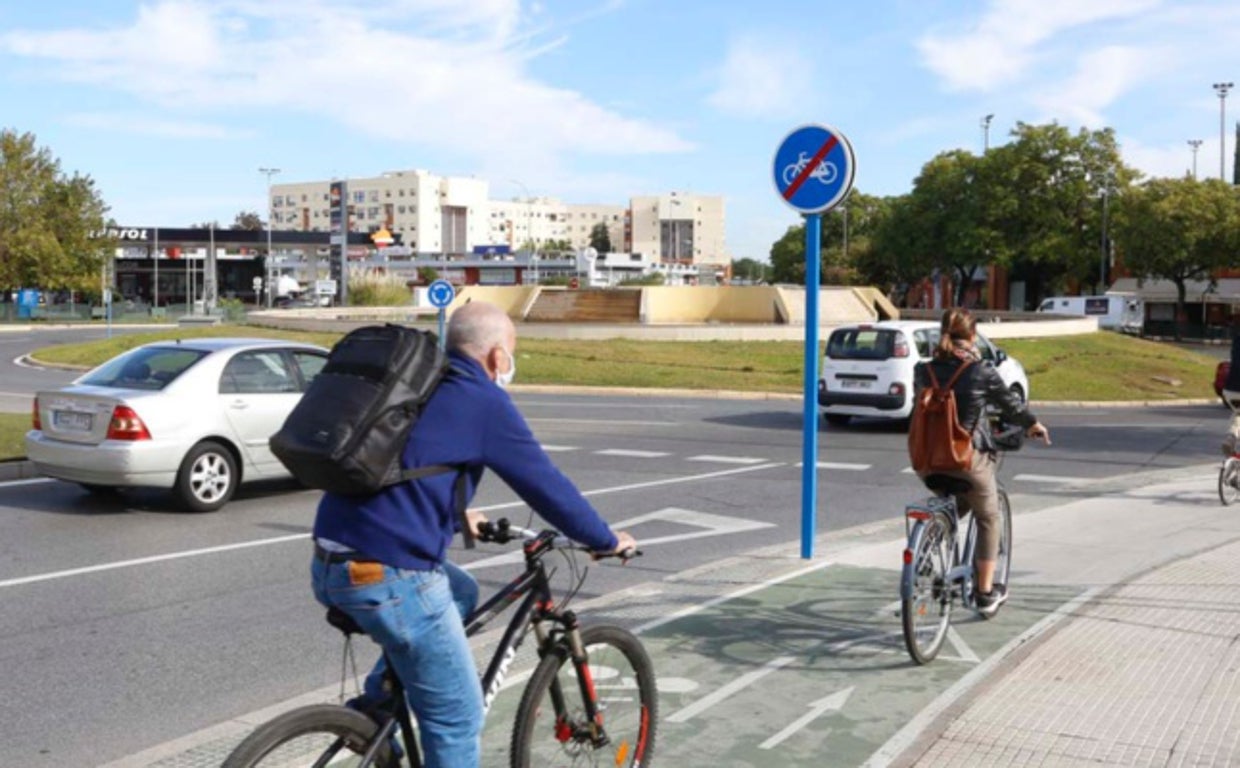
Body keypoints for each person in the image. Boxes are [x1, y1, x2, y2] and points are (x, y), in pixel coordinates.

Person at [310, 300, 637, 768]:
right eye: (511, 353)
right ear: (496, 357)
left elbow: (403, 459)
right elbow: (546, 485)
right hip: (390, 577)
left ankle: (379, 708)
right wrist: (604, 539)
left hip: (329, 561)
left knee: (460, 590)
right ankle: (384, 715)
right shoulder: (483, 401)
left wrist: (457, 509)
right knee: (457, 720)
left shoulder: (418, 383)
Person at [913, 307, 1050, 617]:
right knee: (989, 517)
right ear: (972, 336)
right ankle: (985, 592)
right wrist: (1033, 424)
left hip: (927, 461)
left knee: (954, 504)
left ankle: (926, 549)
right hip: (966, 462)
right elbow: (1011, 405)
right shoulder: (981, 371)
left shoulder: (923, 371)